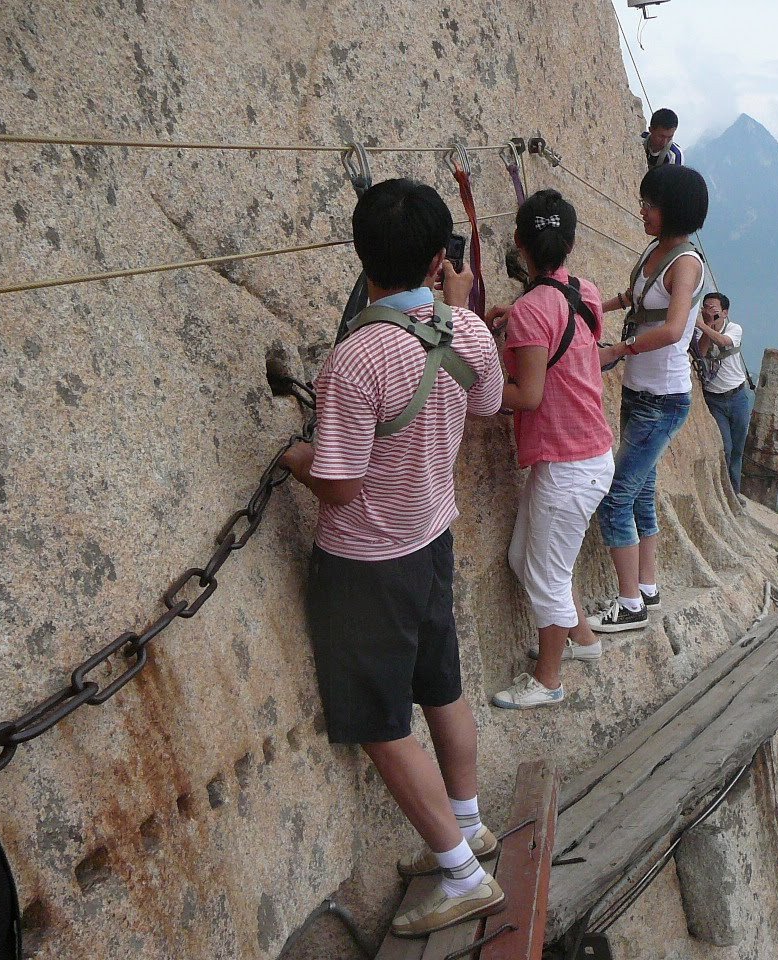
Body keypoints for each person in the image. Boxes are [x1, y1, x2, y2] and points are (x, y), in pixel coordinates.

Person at [281, 178, 506, 938]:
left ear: (360, 253)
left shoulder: (356, 359)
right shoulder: (468, 332)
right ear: (441, 256)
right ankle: (468, 824)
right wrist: (459, 305)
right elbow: (486, 405)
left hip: (368, 561)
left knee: (380, 723)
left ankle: (462, 872)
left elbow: (339, 488)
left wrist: (293, 458)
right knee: (441, 686)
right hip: (432, 537)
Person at [484, 191, 615, 710]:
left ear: (519, 243)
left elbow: (528, 394)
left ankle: (548, 679)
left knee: (545, 575)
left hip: (568, 464)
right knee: (526, 559)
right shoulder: (586, 292)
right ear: (572, 241)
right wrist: (513, 328)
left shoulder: (530, 310)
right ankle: (582, 638)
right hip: (584, 455)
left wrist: (476, 392)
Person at [592, 164, 708, 632]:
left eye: (650, 204)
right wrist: (589, 305)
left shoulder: (686, 262)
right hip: (642, 392)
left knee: (616, 497)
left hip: (663, 397)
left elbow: (675, 328)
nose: (642, 210)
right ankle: (647, 587)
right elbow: (633, 300)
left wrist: (619, 350)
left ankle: (630, 604)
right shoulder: (655, 251)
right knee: (641, 492)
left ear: (672, 209)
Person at [694, 292, 752, 493]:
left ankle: (734, 492)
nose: (708, 311)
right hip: (714, 398)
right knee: (725, 447)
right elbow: (700, 353)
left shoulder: (734, 329)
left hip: (737, 396)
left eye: (714, 309)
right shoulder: (701, 331)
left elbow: (724, 342)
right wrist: (706, 327)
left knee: (737, 449)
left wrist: (703, 325)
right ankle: (724, 492)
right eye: (706, 307)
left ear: (725, 313)